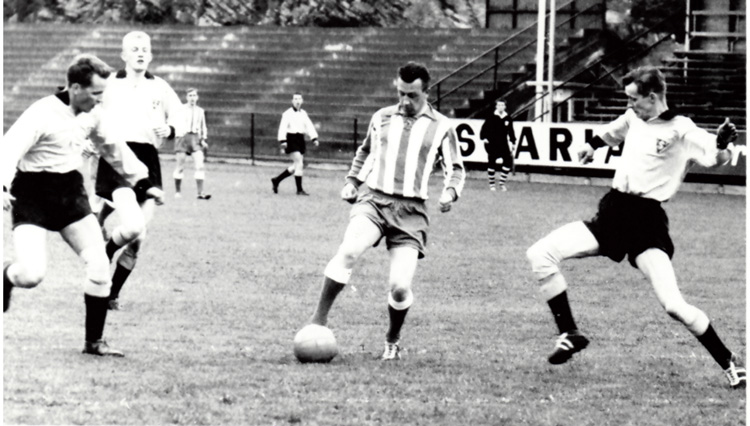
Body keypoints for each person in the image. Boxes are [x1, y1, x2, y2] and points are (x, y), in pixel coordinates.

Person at [525, 66, 745, 389]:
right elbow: (611, 131)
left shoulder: (681, 128)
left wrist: (723, 142)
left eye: (634, 99)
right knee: (540, 253)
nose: (629, 106)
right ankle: (570, 333)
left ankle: (730, 363)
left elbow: (717, 154)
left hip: (647, 222)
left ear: (652, 97)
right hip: (613, 213)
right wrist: (591, 146)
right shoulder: (633, 118)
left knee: (673, 305)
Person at [2, 54, 163, 357]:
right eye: (96, 93)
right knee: (31, 275)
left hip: (69, 194)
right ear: (75, 87)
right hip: (32, 195)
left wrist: (143, 182)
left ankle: (94, 343)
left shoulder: (94, 114)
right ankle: (6, 275)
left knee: (100, 264)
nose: (100, 100)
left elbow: (114, 148)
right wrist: (2, 185)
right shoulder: (41, 113)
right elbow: (8, 149)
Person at [304, 62, 465, 360]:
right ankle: (318, 320)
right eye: (401, 93)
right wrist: (352, 182)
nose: (405, 101)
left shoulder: (442, 127)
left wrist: (450, 192)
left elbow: (456, 169)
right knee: (349, 250)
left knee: (400, 288)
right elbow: (366, 150)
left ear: (426, 92)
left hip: (411, 212)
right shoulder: (382, 117)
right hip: (375, 201)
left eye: (412, 95)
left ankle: (392, 339)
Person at [95, 30, 184, 311]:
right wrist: (89, 139)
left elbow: (180, 116)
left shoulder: (159, 86)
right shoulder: (110, 85)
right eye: (134, 49)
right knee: (133, 225)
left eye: (145, 49)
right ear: (123, 55)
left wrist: (169, 129)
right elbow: (91, 112)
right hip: (117, 156)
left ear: (151, 54)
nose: (141, 53)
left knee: (139, 237)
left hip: (147, 158)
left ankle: (112, 291)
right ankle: (106, 252)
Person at [271, 92, 319, 195]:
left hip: (300, 139)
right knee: (299, 163)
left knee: (296, 166)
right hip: (291, 139)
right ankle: (299, 190)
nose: (297, 101)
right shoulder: (287, 114)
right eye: (295, 99)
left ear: (302, 101)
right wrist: (283, 141)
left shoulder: (303, 113)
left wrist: (314, 138)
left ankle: (276, 180)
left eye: (299, 99)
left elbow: (309, 126)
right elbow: (282, 127)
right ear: (292, 101)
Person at [173, 88, 211, 200]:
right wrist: (178, 135)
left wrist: (203, 139)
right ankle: (178, 192)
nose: (192, 98)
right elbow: (174, 122)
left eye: (194, 95)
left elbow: (203, 126)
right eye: (190, 95)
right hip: (182, 138)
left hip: (195, 139)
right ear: (187, 97)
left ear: (197, 97)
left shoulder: (200, 111)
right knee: (180, 167)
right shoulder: (181, 109)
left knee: (200, 166)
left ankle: (200, 193)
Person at [480, 99, 516, 191]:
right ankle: (492, 185)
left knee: (507, 161)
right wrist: (484, 138)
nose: (500, 107)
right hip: (492, 143)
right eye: (499, 105)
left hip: (503, 143)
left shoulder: (508, 118)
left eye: (502, 105)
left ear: (505, 106)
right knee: (492, 162)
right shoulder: (491, 117)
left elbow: (511, 131)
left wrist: (513, 142)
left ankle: (501, 183)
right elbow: (484, 129)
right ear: (496, 106)